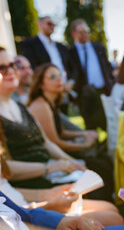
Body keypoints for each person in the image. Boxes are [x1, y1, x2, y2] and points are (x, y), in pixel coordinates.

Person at [26, 63, 115, 202]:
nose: (59, 80)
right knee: (98, 165)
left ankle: (111, 199)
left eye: (60, 75)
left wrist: (84, 134)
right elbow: (55, 142)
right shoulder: (41, 106)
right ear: (41, 84)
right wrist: (84, 145)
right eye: (52, 77)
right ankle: (106, 203)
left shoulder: (51, 102)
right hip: (49, 159)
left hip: (58, 153)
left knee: (102, 161)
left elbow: (61, 132)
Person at [0, 47, 85, 190]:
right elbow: (5, 167)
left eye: (12, 65)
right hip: (29, 186)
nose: (10, 71)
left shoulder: (20, 107)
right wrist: (50, 167)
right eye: (2, 68)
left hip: (49, 175)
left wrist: (72, 162)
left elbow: (46, 142)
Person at [68, 18, 114, 130]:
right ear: (74, 34)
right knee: (90, 126)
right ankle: (95, 146)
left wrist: (112, 84)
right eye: (81, 32)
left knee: (109, 123)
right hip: (85, 96)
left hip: (104, 91)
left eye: (86, 31)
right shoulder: (70, 53)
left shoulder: (99, 48)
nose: (85, 34)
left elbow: (107, 68)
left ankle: (108, 146)